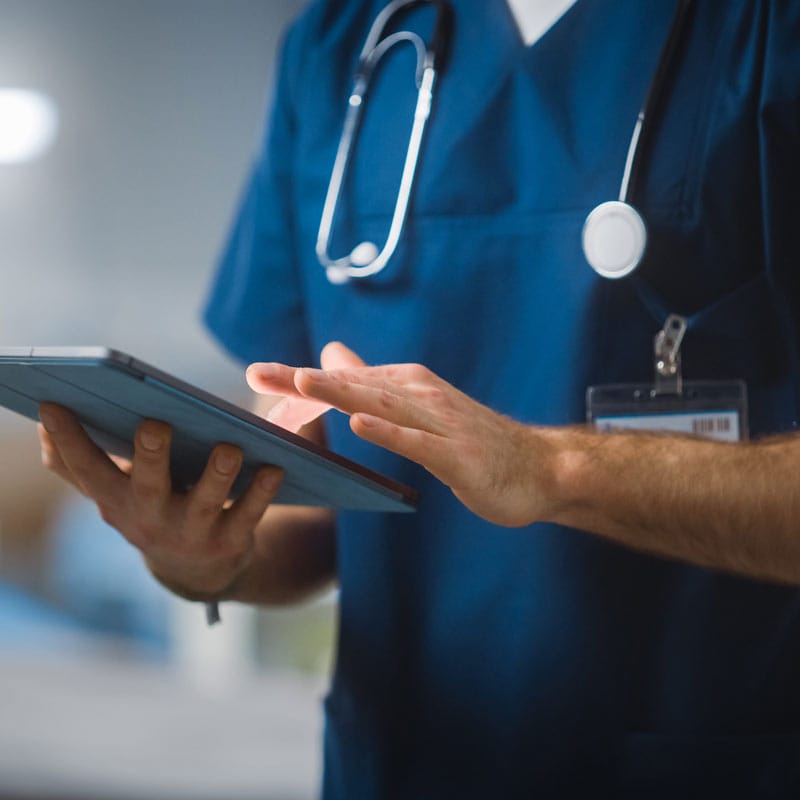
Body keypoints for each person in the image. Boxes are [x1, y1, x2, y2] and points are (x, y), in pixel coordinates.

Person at [37, 0, 800, 796]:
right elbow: (311, 497)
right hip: (399, 767)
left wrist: (554, 470)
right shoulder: (341, 49)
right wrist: (206, 554)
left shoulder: (764, 33)